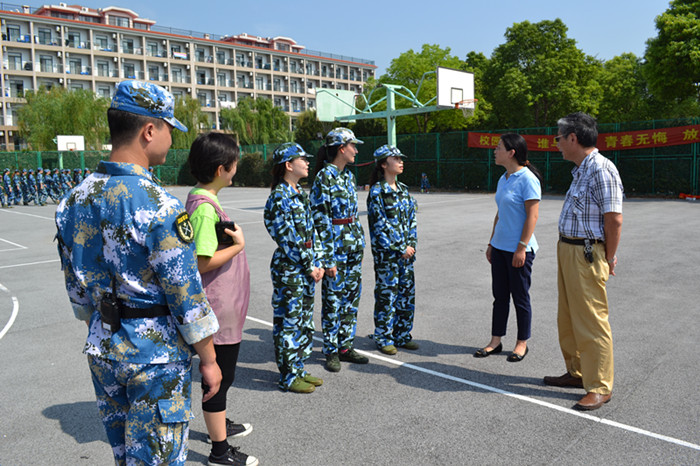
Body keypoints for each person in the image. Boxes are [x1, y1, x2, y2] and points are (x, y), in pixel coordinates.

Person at [55, 80, 222, 465]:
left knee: (125, 457)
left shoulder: (73, 200)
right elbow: (186, 296)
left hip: (104, 348)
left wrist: (103, 326)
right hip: (155, 358)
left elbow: (76, 290)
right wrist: (210, 360)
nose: (171, 139)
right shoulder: (160, 205)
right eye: (168, 129)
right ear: (149, 130)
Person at [185, 132, 257, 466]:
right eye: (234, 162)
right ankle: (219, 451)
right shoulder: (204, 209)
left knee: (222, 378)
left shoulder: (204, 200)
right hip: (217, 307)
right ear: (220, 169)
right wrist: (239, 246)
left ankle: (219, 424)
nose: (236, 167)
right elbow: (201, 262)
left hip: (224, 305)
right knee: (218, 378)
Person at [543, 112, 623, 411]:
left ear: (573, 138)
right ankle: (577, 372)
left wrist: (609, 257)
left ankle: (600, 385)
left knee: (591, 320)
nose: (557, 143)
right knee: (568, 317)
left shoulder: (602, 169)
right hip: (568, 249)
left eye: (559, 138)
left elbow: (614, 219)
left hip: (587, 252)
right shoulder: (581, 170)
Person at [264, 143, 325, 393]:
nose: (307, 163)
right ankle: (288, 376)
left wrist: (318, 261)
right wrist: (309, 264)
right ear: (288, 165)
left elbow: (312, 231)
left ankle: (298, 367)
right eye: (302, 159)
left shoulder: (299, 193)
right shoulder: (280, 196)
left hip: (306, 266)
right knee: (289, 320)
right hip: (290, 267)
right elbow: (287, 237)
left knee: (304, 321)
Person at [475, 133, 541, 362]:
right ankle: (496, 341)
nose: (495, 151)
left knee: (520, 297)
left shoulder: (528, 179)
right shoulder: (503, 178)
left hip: (519, 249)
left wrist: (521, 248)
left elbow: (532, 216)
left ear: (512, 152)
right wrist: (491, 243)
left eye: (499, 148)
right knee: (500, 296)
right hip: (500, 247)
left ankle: (522, 343)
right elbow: (500, 214)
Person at [309, 127, 368, 372]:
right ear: (341, 148)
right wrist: (327, 258)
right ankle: (331, 349)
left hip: (353, 245)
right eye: (353, 146)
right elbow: (320, 220)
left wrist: (359, 243)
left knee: (351, 299)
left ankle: (346, 345)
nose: (356, 150)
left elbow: (353, 214)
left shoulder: (348, 177)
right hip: (336, 248)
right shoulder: (324, 177)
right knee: (333, 300)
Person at [366, 145, 418, 355]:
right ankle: (384, 337)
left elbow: (412, 220)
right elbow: (380, 226)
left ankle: (402, 335)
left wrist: (411, 245)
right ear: (383, 164)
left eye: (400, 158)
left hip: (406, 256)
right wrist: (400, 247)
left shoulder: (403, 189)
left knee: (406, 296)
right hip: (387, 256)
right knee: (387, 297)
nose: (400, 161)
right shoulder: (377, 192)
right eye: (396, 158)